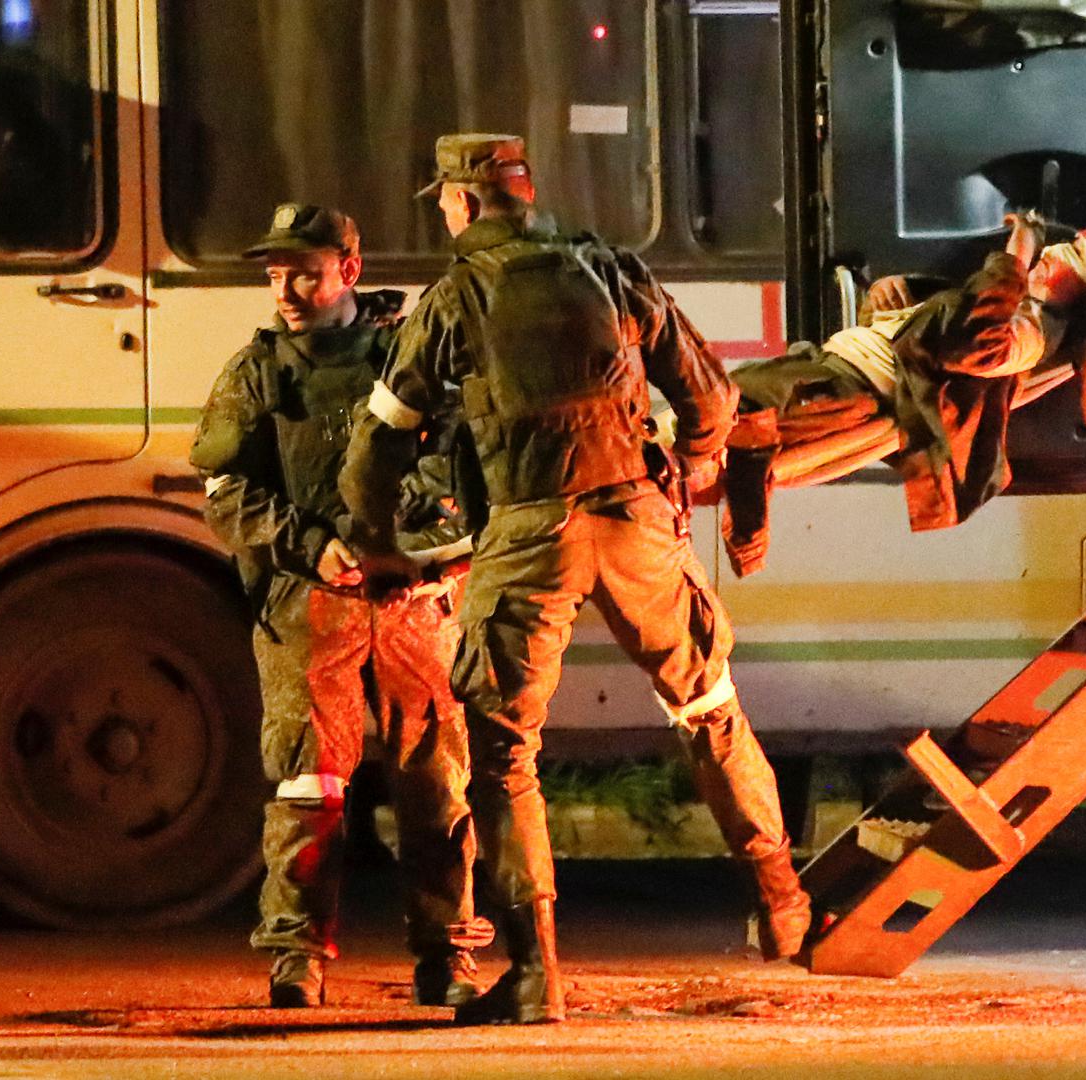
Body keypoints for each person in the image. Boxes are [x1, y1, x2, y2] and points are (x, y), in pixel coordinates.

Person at [340, 134, 811, 1025]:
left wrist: (378, 548)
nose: (445, 215)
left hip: (530, 535)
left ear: (464, 202)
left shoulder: (453, 300)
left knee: (504, 751)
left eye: (444, 203)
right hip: (637, 524)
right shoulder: (612, 270)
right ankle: (782, 899)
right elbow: (711, 400)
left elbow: (379, 442)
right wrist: (689, 464)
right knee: (708, 705)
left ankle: (536, 975)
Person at [190, 204, 487, 1008]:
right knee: (307, 784)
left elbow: (466, 464)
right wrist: (310, 546)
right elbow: (224, 491)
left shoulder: (413, 358)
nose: (285, 291)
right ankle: (297, 957)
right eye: (275, 275)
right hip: (309, 604)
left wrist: (431, 553)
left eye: (304, 273)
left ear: (349, 270)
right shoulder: (257, 374)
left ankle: (448, 957)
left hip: (414, 602)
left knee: (435, 784)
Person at [720, 213, 1047, 575]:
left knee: (735, 414)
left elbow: (976, 340)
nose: (1046, 266)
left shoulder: (1023, 332)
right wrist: (882, 294)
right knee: (731, 405)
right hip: (834, 369)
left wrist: (1017, 257)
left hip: (846, 379)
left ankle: (738, 521)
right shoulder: (968, 303)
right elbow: (906, 333)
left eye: (1051, 264)